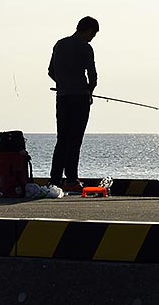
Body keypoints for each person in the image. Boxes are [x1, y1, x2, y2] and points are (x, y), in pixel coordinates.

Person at [48, 16, 99, 192]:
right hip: (80, 99)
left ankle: (55, 180)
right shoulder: (86, 48)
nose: (92, 38)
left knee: (62, 139)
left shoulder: (59, 44)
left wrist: (63, 83)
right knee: (75, 140)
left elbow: (50, 71)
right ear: (88, 30)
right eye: (93, 34)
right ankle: (71, 179)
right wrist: (88, 90)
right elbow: (92, 76)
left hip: (62, 97)